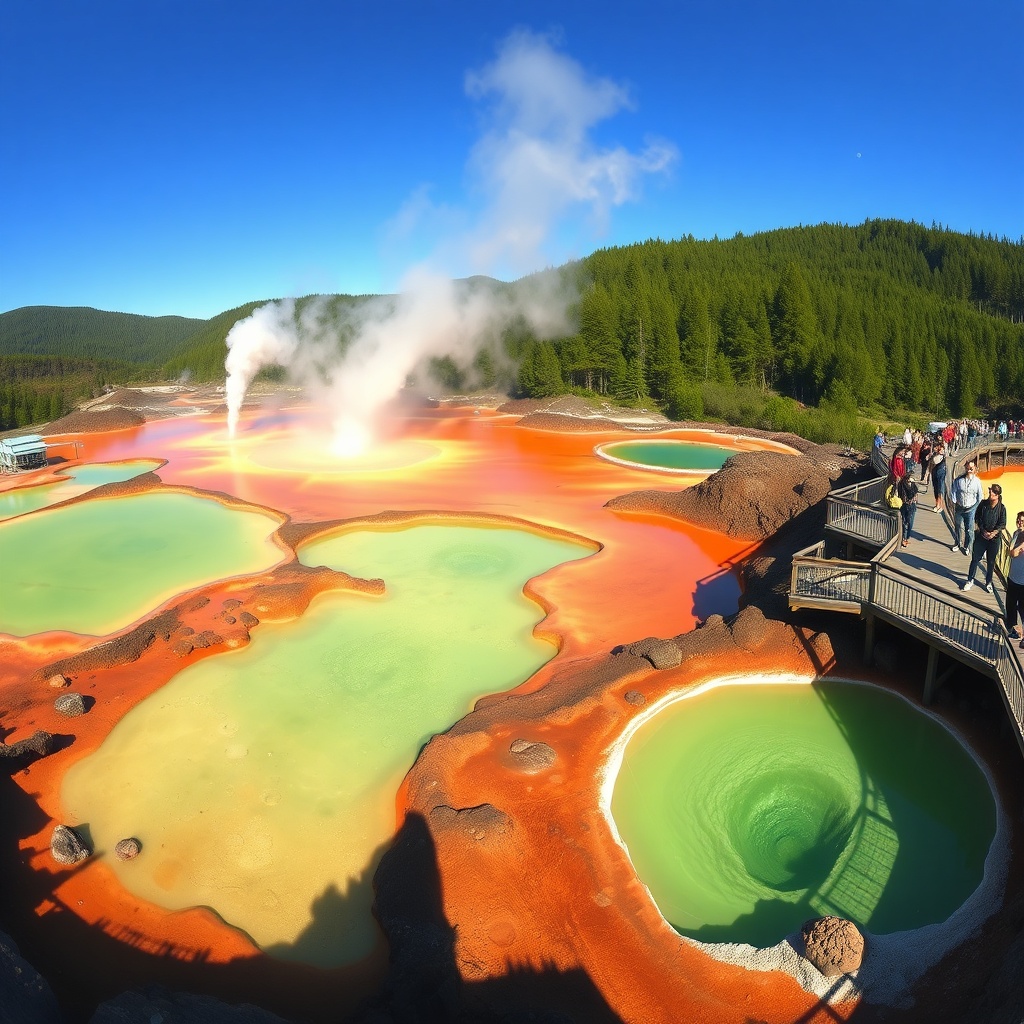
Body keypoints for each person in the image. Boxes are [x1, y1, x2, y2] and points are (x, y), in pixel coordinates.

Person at [962, 483, 1006, 593]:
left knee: (991, 562)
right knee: (975, 559)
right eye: (991, 490)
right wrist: (983, 530)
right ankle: (970, 579)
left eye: (993, 492)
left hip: (994, 540)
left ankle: (988, 582)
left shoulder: (1002, 508)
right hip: (981, 536)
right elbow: (977, 518)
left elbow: (1002, 523)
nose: (991, 493)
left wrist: (993, 533)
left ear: (997, 495)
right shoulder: (983, 504)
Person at [950, 460, 982, 551]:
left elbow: (980, 497)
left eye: (971, 468)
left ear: (975, 468)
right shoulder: (959, 480)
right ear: (965, 468)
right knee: (958, 526)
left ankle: (967, 546)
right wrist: (954, 501)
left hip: (971, 508)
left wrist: (974, 508)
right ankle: (957, 543)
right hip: (959, 507)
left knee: (969, 529)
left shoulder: (977, 482)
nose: (969, 470)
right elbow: (953, 491)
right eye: (968, 468)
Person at [1005, 511, 1024, 641]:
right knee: (1010, 605)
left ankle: (1022, 635)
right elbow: (1011, 552)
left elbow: (1013, 553)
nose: (1019, 522)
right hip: (1012, 576)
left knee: (1022, 609)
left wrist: (1014, 550)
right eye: (1018, 520)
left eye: (1022, 521)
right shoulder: (1016, 534)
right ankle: (1012, 629)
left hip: (1023, 580)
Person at [898, 470, 918, 547]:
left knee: (905, 522)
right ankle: (905, 539)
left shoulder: (901, 484)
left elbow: (900, 494)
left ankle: (905, 538)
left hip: (904, 505)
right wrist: (911, 484)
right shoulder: (907, 485)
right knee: (909, 522)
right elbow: (911, 494)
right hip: (909, 505)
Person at [930, 441, 947, 512]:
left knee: (940, 489)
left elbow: (943, 454)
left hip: (941, 472)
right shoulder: (933, 454)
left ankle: (941, 506)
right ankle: (937, 504)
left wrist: (941, 451)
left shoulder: (942, 454)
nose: (935, 448)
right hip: (934, 471)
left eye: (936, 447)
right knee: (936, 489)